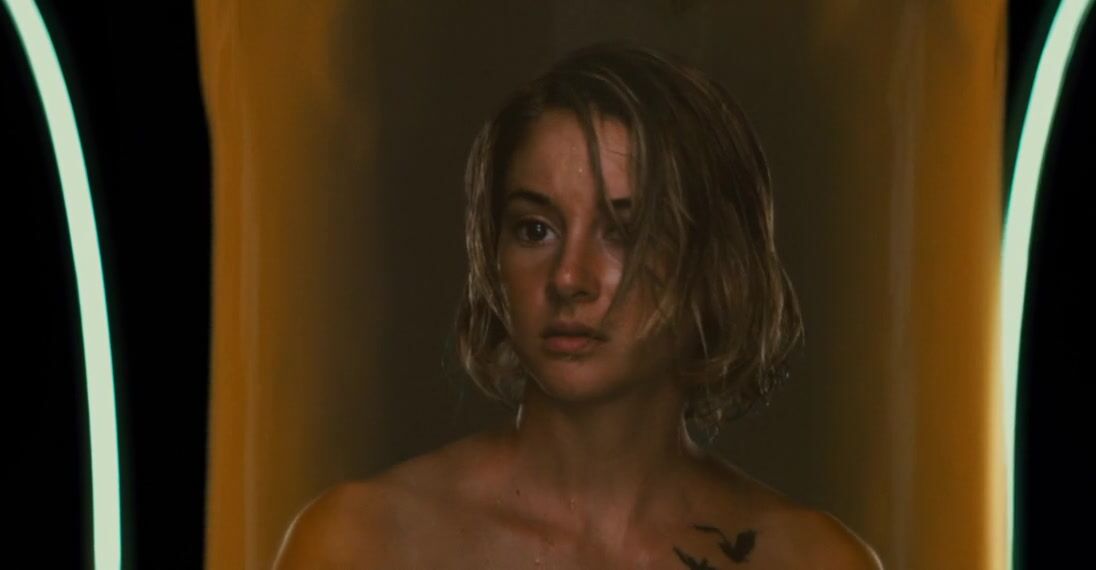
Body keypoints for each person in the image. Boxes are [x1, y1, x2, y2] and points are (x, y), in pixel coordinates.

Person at [274, 44, 882, 569]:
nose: (568, 277)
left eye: (624, 233)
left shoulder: (814, 559)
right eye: (535, 229)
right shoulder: (361, 542)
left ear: (716, 266)